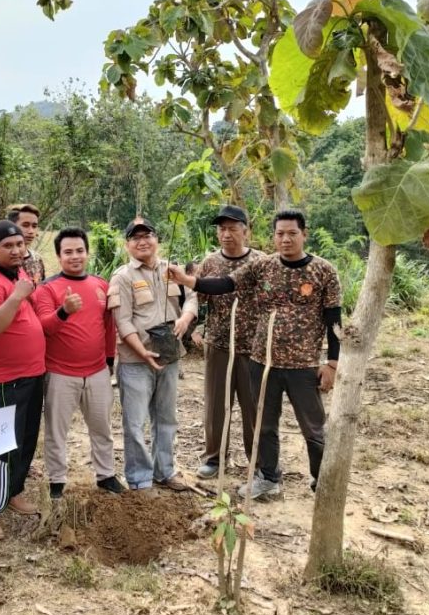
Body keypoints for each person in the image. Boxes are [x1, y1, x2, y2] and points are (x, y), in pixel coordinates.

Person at [168, 210, 341, 499]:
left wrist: (332, 363)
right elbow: (225, 284)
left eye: (292, 233)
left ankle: (322, 480)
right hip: (263, 360)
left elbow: (334, 319)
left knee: (313, 427)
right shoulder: (263, 266)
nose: (285, 239)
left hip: (303, 363)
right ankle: (268, 478)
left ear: (304, 234)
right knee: (265, 423)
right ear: (273, 235)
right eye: (280, 234)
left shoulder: (324, 270)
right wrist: (189, 281)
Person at [108, 217, 198, 491]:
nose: (142, 241)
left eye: (147, 235)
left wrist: (186, 316)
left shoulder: (171, 269)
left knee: (166, 418)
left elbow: (193, 294)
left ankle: (164, 471)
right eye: (136, 238)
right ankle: (139, 479)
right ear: (127, 245)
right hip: (136, 362)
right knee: (135, 423)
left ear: (157, 239)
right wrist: (142, 352)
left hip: (169, 357)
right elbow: (122, 321)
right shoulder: (123, 276)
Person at [34, 227, 124, 499]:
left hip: (97, 371)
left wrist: (109, 360)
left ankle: (106, 475)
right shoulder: (47, 289)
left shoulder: (100, 285)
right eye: (68, 252)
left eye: (80, 251)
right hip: (60, 374)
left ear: (87, 253)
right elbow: (43, 327)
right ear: (59, 256)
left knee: (102, 427)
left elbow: (108, 327)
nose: (75, 256)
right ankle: (57, 481)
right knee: (56, 432)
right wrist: (64, 310)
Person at [0, 219, 47, 539]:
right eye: (8, 245)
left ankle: (13, 490)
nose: (17, 250)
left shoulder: (17, 273)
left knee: (26, 439)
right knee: (1, 447)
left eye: (19, 244)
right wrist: (18, 295)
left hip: (31, 373)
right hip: (5, 380)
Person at [193, 205, 265, 480]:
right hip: (219, 344)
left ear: (246, 231)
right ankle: (214, 458)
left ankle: (257, 463)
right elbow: (197, 299)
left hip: (252, 346)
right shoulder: (210, 262)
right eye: (222, 229)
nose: (226, 234)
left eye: (233, 228)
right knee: (215, 406)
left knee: (252, 407)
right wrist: (197, 327)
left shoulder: (261, 261)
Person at [7, 203, 46, 284]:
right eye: (25, 225)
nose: (31, 231)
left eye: (34, 226)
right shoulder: (1, 261)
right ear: (12, 226)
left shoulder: (37, 259)